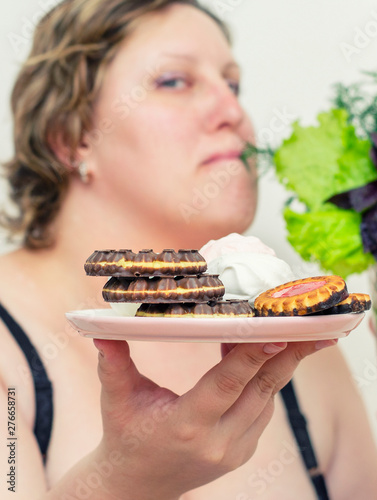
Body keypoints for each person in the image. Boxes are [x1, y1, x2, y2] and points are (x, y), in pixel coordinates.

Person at [0, 0, 376, 498]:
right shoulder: (11, 355)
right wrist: (124, 482)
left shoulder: (299, 345)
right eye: (174, 81)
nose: (235, 114)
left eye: (233, 84)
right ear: (70, 138)